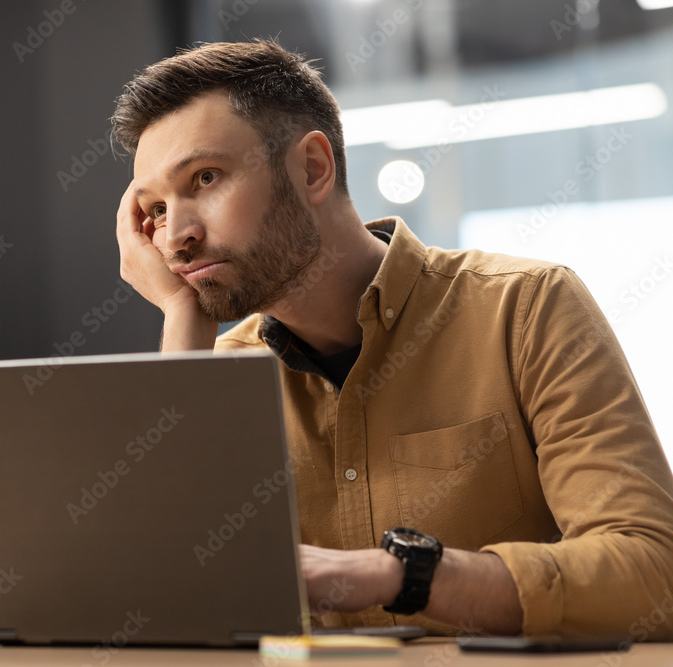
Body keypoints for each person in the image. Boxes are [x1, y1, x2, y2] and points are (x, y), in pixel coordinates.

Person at [110, 38, 673, 638]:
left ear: (312, 169)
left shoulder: (525, 308)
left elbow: (654, 572)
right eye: (157, 210)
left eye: (205, 177)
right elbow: (172, 604)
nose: (175, 239)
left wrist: (399, 573)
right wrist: (182, 317)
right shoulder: (216, 373)